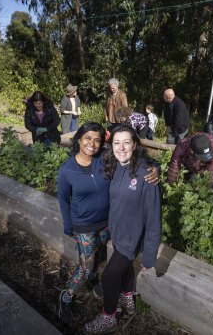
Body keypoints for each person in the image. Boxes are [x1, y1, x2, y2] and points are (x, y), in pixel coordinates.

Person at [57, 123, 160, 325]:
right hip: (84, 225)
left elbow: (138, 158)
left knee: (100, 259)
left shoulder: (105, 159)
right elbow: (62, 198)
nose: (92, 143)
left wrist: (156, 168)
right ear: (78, 139)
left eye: (97, 139)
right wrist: (68, 225)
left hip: (106, 225)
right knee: (85, 267)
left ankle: (108, 288)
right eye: (87, 138)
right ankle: (66, 297)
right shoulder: (67, 169)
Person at [83, 126, 162, 334]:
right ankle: (127, 298)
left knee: (108, 277)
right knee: (126, 269)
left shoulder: (146, 175)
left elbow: (154, 219)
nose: (122, 147)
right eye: (117, 143)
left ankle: (109, 317)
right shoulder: (114, 166)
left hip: (132, 238)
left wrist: (150, 258)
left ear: (135, 144)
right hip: (117, 234)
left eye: (126, 142)